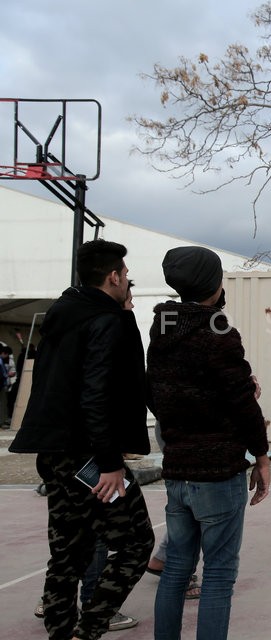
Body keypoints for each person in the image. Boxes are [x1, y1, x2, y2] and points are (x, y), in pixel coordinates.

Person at [10, 238, 155, 639]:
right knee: (136, 543)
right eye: (126, 276)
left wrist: (123, 315)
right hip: (88, 458)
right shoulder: (103, 321)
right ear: (113, 276)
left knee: (68, 554)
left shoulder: (65, 312)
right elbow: (97, 394)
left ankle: (63, 632)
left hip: (52, 452)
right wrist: (109, 463)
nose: (128, 282)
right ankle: (88, 629)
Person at [147, 245, 270, 640]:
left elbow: (160, 393)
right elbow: (241, 406)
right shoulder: (221, 333)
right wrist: (262, 455)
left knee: (177, 570)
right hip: (218, 470)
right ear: (215, 284)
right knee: (218, 575)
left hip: (178, 467)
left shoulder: (162, 328)